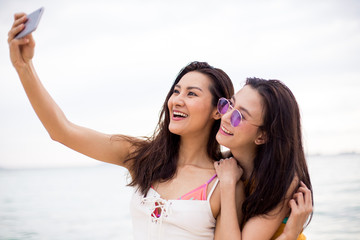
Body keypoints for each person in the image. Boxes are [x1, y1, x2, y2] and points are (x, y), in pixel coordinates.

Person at [8, 12, 311, 240]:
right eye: (176, 91)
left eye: (192, 94)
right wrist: (24, 67)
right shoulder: (142, 156)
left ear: (215, 111)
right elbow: (62, 131)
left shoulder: (225, 181)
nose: (176, 100)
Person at [214, 78, 313, 240]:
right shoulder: (224, 164)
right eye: (229, 105)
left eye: (240, 116)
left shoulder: (281, 180)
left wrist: (289, 235)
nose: (225, 117)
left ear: (262, 135)